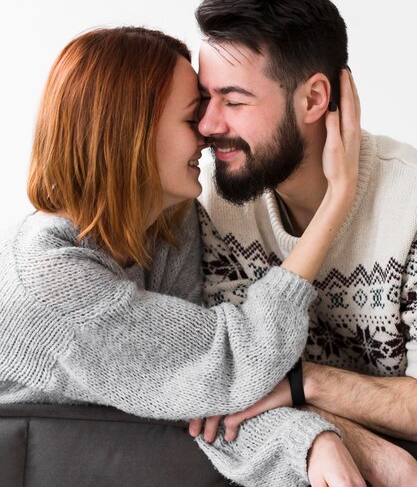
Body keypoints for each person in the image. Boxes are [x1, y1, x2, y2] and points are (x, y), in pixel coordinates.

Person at [0, 26, 365, 486]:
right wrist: (337, 200)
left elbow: (202, 395)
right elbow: (238, 359)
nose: (209, 133)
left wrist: (311, 442)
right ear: (131, 132)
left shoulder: (168, 222)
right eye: (193, 118)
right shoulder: (49, 277)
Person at [194, 0, 417, 487]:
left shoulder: (410, 205)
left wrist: (303, 383)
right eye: (206, 98)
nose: (208, 125)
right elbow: (225, 388)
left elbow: (263, 387)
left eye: (234, 100)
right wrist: (351, 443)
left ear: (314, 100)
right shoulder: (219, 203)